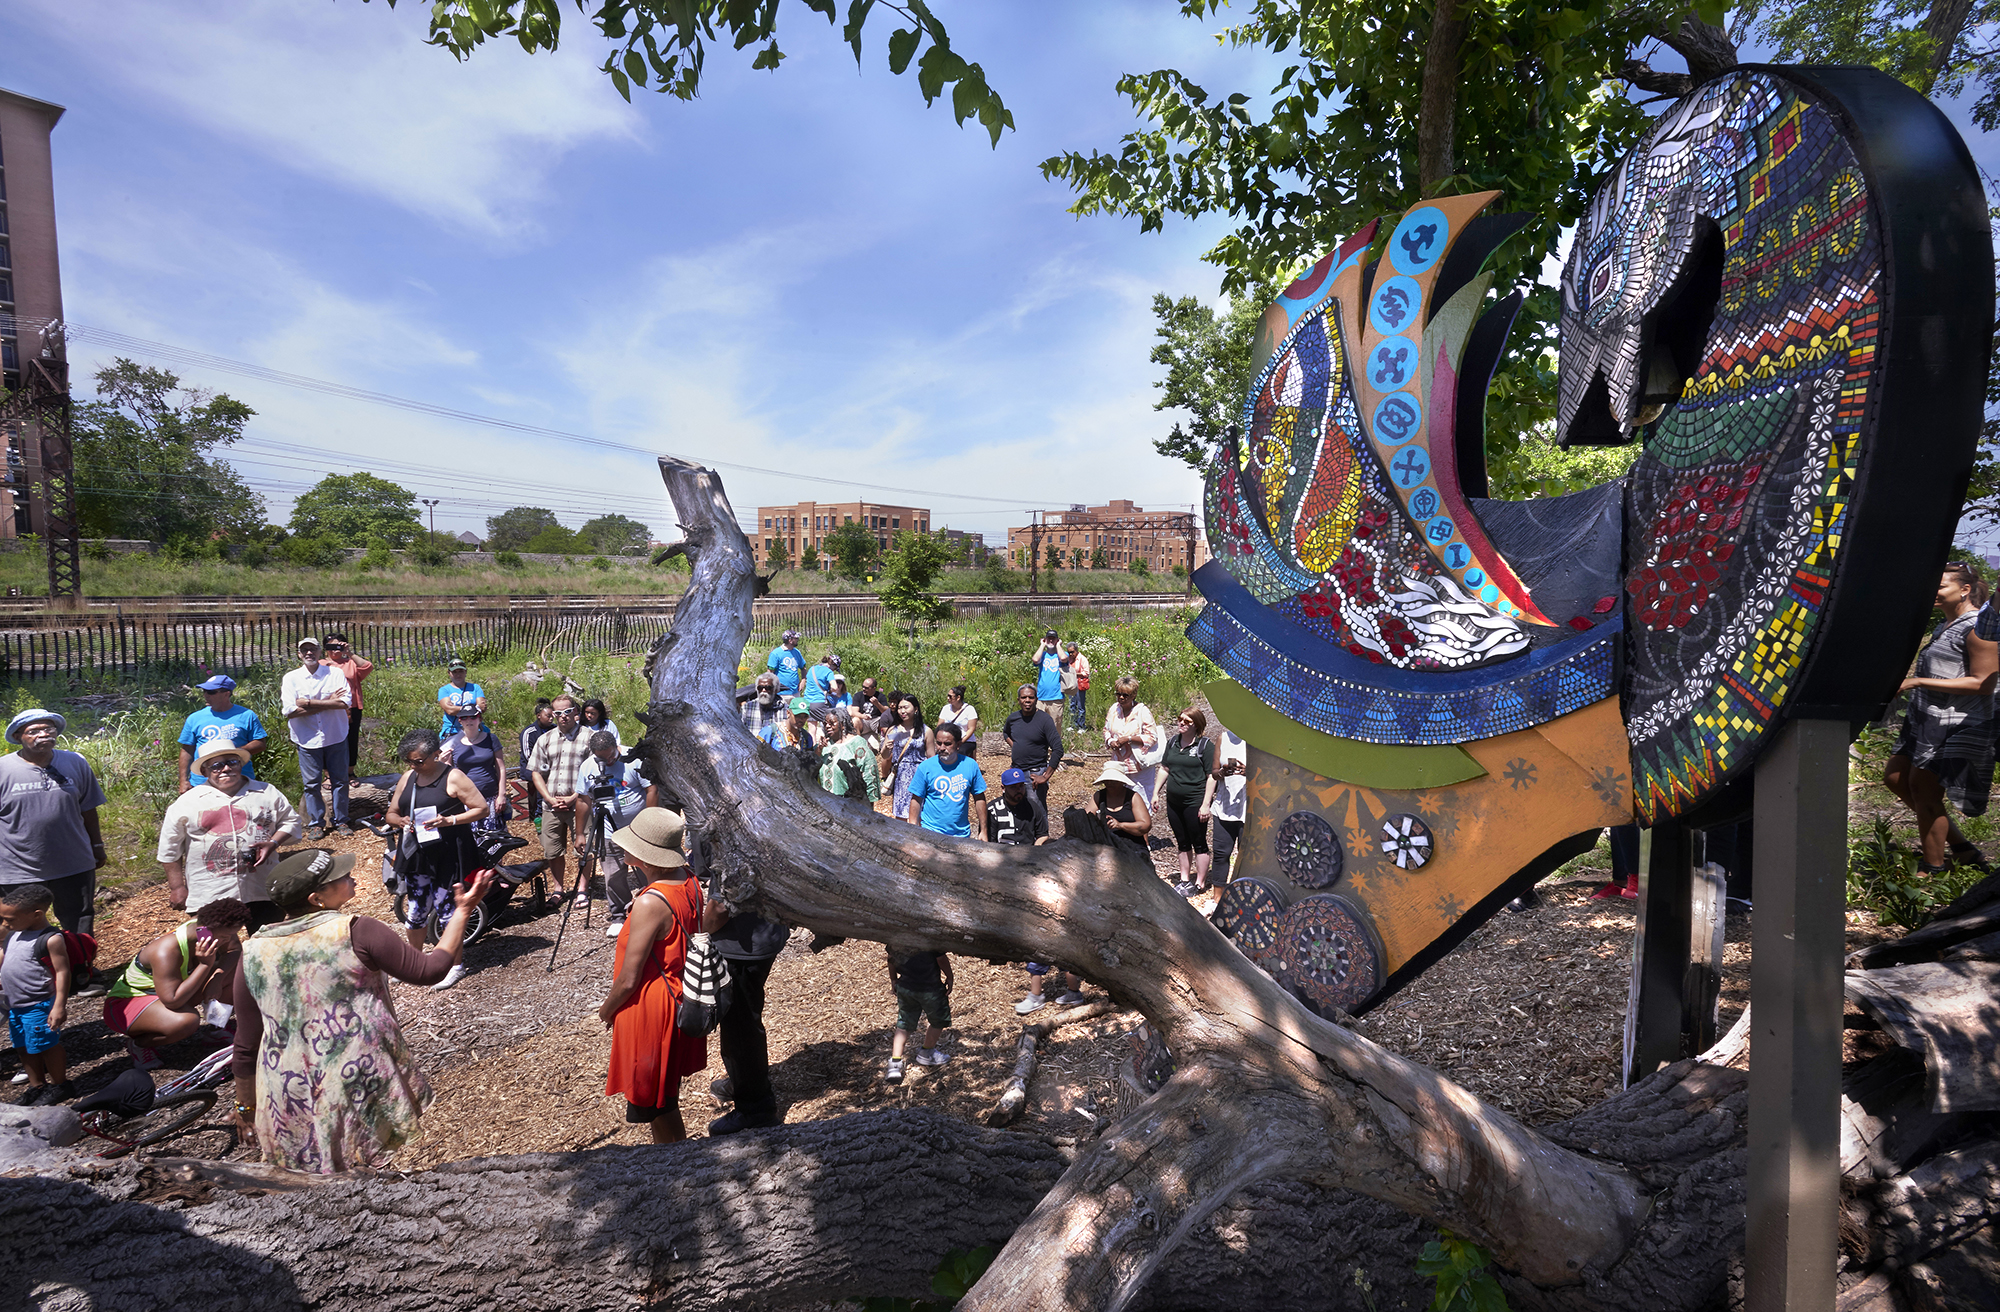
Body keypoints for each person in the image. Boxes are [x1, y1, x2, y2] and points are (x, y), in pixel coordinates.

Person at [231, 848, 493, 1172]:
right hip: (355, 1080)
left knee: (311, 1192)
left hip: (288, 1091)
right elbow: (430, 970)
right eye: (339, 877)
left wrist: (246, 1109)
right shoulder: (356, 930)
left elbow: (246, 1044)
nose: (350, 876)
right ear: (316, 898)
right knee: (366, 1178)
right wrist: (462, 911)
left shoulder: (253, 952)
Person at [599, 808, 726, 1143]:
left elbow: (628, 979)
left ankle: (676, 1171)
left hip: (650, 1008)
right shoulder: (688, 881)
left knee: (659, 1105)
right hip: (679, 996)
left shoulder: (649, 903)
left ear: (646, 855)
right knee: (664, 1097)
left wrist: (606, 1010)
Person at [1886, 561, 1999, 872]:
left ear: (1964, 590)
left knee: (1924, 792)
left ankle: (1932, 869)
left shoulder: (1978, 628)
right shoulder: (1945, 625)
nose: (1932, 592)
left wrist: (1916, 681)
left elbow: (1983, 683)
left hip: (1954, 724)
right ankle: (1962, 848)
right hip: (1926, 720)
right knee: (1895, 778)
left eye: (1940, 586)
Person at [384, 728, 489, 991]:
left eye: (419, 760)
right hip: (418, 853)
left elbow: (481, 808)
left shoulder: (453, 777)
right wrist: (401, 821)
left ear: (436, 754)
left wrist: (449, 820)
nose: (414, 765)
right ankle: (415, 961)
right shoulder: (408, 777)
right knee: (416, 910)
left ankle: (455, 966)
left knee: (447, 911)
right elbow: (391, 813)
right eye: (409, 761)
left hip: (449, 854)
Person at [156, 741, 300, 925]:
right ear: (205, 771)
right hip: (211, 891)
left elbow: (291, 820)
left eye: (232, 762)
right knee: (214, 946)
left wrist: (273, 843)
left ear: (241, 764)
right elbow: (170, 848)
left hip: (262, 885)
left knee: (269, 940)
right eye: (216, 765)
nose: (225, 768)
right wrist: (177, 887)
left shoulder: (265, 792)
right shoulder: (187, 802)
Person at [103, 897, 250, 1070]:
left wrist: (216, 980)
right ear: (204, 930)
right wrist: (205, 965)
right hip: (126, 1005)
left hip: (166, 994)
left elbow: (234, 950)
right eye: (225, 936)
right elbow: (172, 1000)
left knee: (236, 972)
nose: (228, 940)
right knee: (186, 1021)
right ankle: (139, 1045)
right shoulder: (166, 950)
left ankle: (216, 1029)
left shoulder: (205, 928)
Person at [0, 709, 108, 938]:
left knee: (79, 919)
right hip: (19, 867)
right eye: (35, 731)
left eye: (48, 729)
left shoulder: (75, 762)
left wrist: (96, 845)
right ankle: (33, 971)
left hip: (73, 861)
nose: (44, 734)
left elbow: (88, 807)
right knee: (21, 925)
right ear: (19, 736)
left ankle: (81, 969)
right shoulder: (3, 769)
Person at [579, 730, 657, 937]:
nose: (608, 761)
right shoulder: (587, 766)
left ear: (617, 746)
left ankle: (654, 907)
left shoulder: (634, 758)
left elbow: (651, 790)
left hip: (637, 827)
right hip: (607, 828)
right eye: (601, 758)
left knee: (646, 869)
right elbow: (583, 800)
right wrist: (580, 833)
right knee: (613, 874)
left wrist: (649, 821)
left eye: (611, 755)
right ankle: (619, 915)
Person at [1, 884, 72, 1105]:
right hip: (16, 1005)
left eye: (9, 919)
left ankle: (60, 1085)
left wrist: (59, 1005)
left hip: (39, 1004)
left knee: (45, 1045)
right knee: (22, 1046)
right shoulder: (14, 933)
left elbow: (63, 971)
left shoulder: (50, 939)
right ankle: (36, 1085)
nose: (4, 923)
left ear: (36, 914)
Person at [280, 637, 353, 840]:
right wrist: (328, 701)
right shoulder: (291, 678)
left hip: (335, 735)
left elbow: (345, 703)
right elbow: (289, 711)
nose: (309, 653)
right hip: (307, 739)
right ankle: (316, 823)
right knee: (311, 783)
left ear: (320, 652)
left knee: (340, 781)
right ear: (299, 654)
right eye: (305, 650)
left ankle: (342, 820)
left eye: (313, 649)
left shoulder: (335, 673)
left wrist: (308, 703)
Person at [529, 696, 594, 907]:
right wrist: (548, 798)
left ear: (576, 711)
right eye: (557, 713)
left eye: (567, 712)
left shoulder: (589, 737)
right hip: (552, 805)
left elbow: (596, 772)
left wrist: (575, 796)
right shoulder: (545, 739)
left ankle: (582, 889)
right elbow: (536, 772)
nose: (562, 717)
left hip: (580, 804)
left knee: (584, 848)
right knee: (553, 850)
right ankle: (558, 890)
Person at [175, 675, 269, 793]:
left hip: (239, 780)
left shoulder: (246, 715)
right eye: (204, 691)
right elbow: (187, 750)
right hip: (202, 782)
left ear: (226, 694)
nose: (206, 695)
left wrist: (232, 752)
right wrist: (183, 781)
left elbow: (260, 743)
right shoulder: (195, 718)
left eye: (211, 692)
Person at [1161, 706, 1218, 897]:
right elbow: (1165, 768)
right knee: (1182, 841)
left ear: (1197, 725)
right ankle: (1184, 880)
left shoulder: (1205, 746)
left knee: (1199, 842)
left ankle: (1200, 883)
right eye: (1180, 719)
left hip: (1195, 801)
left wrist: (1205, 804)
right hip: (1173, 801)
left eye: (1187, 721)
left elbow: (1212, 776)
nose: (1182, 724)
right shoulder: (1172, 743)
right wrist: (1155, 793)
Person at [884, 945, 953, 1084]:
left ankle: (894, 1065)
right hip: (931, 989)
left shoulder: (896, 936)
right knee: (938, 1021)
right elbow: (941, 959)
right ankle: (927, 1052)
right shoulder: (930, 936)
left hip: (906, 987)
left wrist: (893, 979)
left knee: (904, 1024)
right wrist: (950, 977)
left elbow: (890, 959)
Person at [907, 723, 986, 840]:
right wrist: (913, 828)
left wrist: (983, 830)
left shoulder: (970, 765)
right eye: (938, 743)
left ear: (958, 745)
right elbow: (916, 799)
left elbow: (979, 798)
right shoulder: (925, 767)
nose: (942, 748)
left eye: (947, 744)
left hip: (961, 835)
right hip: (931, 832)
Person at [445, 707, 509, 833]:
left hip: (490, 797)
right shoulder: (452, 742)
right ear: (460, 721)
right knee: (469, 840)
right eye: (464, 717)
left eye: (473, 717)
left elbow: (500, 768)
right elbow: (448, 772)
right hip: (465, 800)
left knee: (493, 840)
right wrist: (442, 761)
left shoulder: (491, 739)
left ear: (479, 719)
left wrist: (502, 794)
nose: (469, 720)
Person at [1001, 683, 1063, 809]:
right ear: (1018, 700)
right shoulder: (1013, 718)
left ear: (1036, 699)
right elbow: (1006, 733)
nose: (1027, 701)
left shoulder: (1044, 720)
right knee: (1016, 810)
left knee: (1036, 812)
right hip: (1016, 772)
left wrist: (1045, 776)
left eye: (1031, 697)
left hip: (1035, 774)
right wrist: (1016, 746)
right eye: (1024, 698)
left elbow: (1058, 749)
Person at [1102, 676, 1161, 805]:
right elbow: (1106, 730)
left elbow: (1153, 737)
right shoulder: (1114, 709)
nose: (1121, 698)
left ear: (1133, 695)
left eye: (1125, 695)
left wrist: (1129, 739)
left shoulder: (1142, 711)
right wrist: (1111, 741)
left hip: (1139, 765)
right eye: (1118, 694)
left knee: (1141, 800)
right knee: (1121, 799)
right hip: (1119, 764)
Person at [1069, 764, 1151, 857]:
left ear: (1121, 781)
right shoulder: (1099, 796)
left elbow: (1145, 825)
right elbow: (1086, 820)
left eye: (1113, 781)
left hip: (1132, 844)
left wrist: (1120, 825)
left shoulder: (1133, 797)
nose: (1109, 783)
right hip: (1105, 844)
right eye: (1107, 780)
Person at [323, 633, 374, 774]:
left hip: (351, 708)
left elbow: (368, 667)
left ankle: (350, 772)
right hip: (326, 707)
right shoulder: (320, 664)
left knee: (351, 739)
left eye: (338, 646)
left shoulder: (351, 663)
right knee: (327, 739)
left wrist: (349, 653)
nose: (335, 650)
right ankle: (328, 774)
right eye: (331, 646)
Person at [878, 693, 933, 820]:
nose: (902, 711)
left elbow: (931, 756)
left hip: (919, 774)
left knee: (919, 813)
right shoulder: (893, 730)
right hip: (901, 775)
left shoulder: (926, 731)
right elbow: (885, 756)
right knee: (901, 813)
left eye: (906, 707)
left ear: (916, 709)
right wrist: (886, 747)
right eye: (900, 708)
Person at [1209, 725, 1248, 885]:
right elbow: (1214, 772)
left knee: (1246, 856)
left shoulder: (1256, 741)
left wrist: (1248, 771)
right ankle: (1217, 899)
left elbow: (1268, 773)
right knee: (1220, 853)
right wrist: (1222, 773)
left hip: (1248, 808)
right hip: (1224, 806)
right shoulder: (1223, 738)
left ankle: (1242, 895)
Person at [818, 708, 881, 804]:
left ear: (843, 725)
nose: (827, 726)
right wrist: (819, 749)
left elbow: (869, 774)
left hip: (851, 804)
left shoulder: (856, 744)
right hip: (826, 804)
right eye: (825, 723)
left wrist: (868, 804)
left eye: (832, 723)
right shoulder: (825, 746)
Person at [760, 697, 822, 783]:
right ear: (788, 713)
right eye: (797, 716)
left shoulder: (806, 738)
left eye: (804, 717)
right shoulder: (770, 731)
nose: (801, 720)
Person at [989, 767, 1049, 847]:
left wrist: (1036, 848)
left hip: (1029, 854)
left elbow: (1043, 835)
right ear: (1003, 788)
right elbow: (988, 842)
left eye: (1021, 786)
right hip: (1001, 855)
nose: (1019, 790)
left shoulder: (1032, 807)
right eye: (1013, 787)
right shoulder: (993, 810)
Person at [518, 699, 555, 826]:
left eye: (552, 716)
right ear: (539, 716)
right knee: (541, 776)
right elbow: (527, 754)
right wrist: (545, 765)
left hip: (551, 765)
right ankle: (540, 811)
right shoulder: (529, 732)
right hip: (531, 768)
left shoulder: (554, 729)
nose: (551, 719)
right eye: (548, 716)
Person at [436, 658, 486, 737]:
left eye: (461, 671)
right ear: (449, 673)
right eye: (454, 672)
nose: (458, 674)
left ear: (465, 672)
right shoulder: (444, 690)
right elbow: (450, 710)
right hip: (453, 730)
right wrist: (474, 708)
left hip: (475, 729)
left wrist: (457, 708)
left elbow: (482, 708)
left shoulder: (475, 688)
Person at [1032, 629, 1067, 729]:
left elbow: (1064, 659)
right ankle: (1041, 745)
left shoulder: (1061, 654)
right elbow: (1035, 659)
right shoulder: (1042, 655)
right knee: (1039, 726)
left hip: (1056, 698)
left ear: (1057, 640)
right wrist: (1042, 645)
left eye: (1053, 639)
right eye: (1049, 638)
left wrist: (1058, 645)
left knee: (1055, 727)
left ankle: (1054, 745)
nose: (1051, 641)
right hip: (1041, 698)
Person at [937, 686, 980, 760]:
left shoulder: (970, 709)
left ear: (958, 697)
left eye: (950, 696)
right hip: (947, 740)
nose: (948, 698)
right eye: (948, 696)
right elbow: (940, 725)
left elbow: (971, 728)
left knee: (960, 753)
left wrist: (960, 742)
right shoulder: (946, 708)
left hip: (966, 740)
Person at [740, 673, 784, 738]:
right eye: (760, 688)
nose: (763, 690)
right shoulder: (747, 708)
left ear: (776, 690)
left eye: (768, 688)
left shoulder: (784, 709)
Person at [766, 629, 807, 698]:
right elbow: (770, 672)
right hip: (781, 692)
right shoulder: (776, 653)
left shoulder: (796, 652)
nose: (798, 640)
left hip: (795, 691)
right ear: (790, 640)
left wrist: (803, 681)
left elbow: (803, 668)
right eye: (796, 638)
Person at [1061, 641, 1091, 730]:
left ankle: (1081, 726)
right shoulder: (1068, 659)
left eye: (1072, 652)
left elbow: (1086, 673)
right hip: (1071, 684)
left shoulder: (1082, 659)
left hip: (1080, 684)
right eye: (1069, 652)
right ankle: (1073, 724)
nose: (1070, 654)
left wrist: (1074, 673)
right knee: (1072, 704)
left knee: (1080, 705)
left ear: (1076, 650)